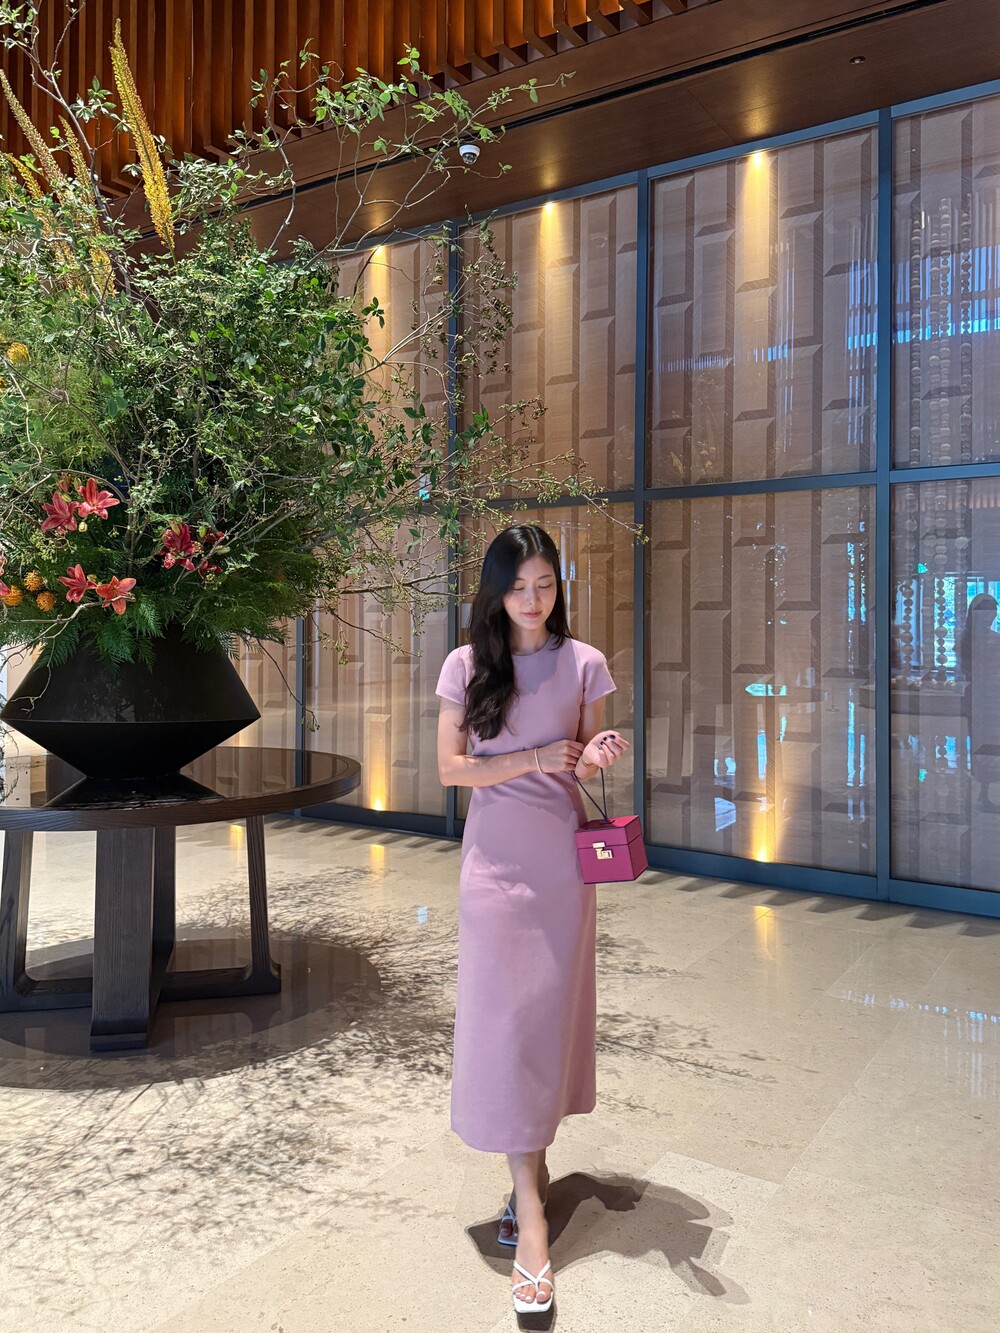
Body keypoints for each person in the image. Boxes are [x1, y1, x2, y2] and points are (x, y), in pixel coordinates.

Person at [435, 523, 629, 1316]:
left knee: (545, 1027)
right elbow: (451, 768)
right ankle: (533, 1219)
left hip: (559, 872)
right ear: (496, 590)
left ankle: (530, 1180)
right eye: (517, 586)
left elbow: (582, 758)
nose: (532, 598)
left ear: (559, 585)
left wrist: (593, 755)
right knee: (505, 1029)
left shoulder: (585, 663)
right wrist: (535, 758)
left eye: (544, 583)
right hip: (492, 870)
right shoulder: (466, 664)